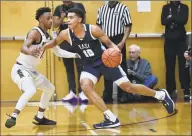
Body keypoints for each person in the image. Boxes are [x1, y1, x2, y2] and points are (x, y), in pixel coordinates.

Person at [42, 8, 175, 129]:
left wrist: (116, 52)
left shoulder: (93, 30)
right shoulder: (66, 34)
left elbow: (109, 43)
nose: (67, 20)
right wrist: (42, 47)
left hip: (105, 61)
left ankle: (160, 94)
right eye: (67, 18)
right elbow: (54, 43)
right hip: (89, 65)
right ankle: (110, 118)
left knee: (128, 87)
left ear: (80, 19)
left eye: (71, 17)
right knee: (86, 86)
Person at [5, 7, 80, 128]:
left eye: (52, 18)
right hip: (20, 69)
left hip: (32, 71)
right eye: (48, 18)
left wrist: (76, 55)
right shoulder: (34, 32)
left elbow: (59, 52)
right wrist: (30, 51)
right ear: (40, 19)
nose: (51, 20)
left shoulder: (48, 36)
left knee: (50, 88)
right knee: (31, 90)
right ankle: (13, 116)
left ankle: (39, 117)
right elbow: (23, 48)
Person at [96, 1, 132, 103]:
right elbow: (98, 26)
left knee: (121, 67)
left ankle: (124, 94)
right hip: (105, 39)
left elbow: (128, 26)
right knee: (106, 66)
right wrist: (100, 41)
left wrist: (122, 42)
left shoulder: (123, 8)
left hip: (118, 39)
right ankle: (107, 94)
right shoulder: (101, 9)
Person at [53, 0, 88, 104]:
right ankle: (72, 92)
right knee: (69, 68)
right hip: (64, 41)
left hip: (78, 39)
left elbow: (83, 21)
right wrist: (62, 17)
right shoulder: (59, 9)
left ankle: (82, 93)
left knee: (81, 67)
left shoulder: (79, 5)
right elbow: (55, 24)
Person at [161, 0, 190, 101]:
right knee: (170, 66)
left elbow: (184, 20)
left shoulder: (184, 7)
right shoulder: (165, 7)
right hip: (169, 41)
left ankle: (186, 90)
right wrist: (175, 19)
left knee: (184, 66)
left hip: (181, 41)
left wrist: (171, 18)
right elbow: (163, 21)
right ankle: (170, 90)